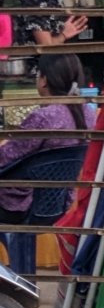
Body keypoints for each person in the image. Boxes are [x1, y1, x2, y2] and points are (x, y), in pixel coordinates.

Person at [0, 53, 84, 223]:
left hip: (17, 205)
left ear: (44, 80)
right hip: (57, 204)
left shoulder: (44, 117)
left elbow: (5, 158)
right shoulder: (87, 113)